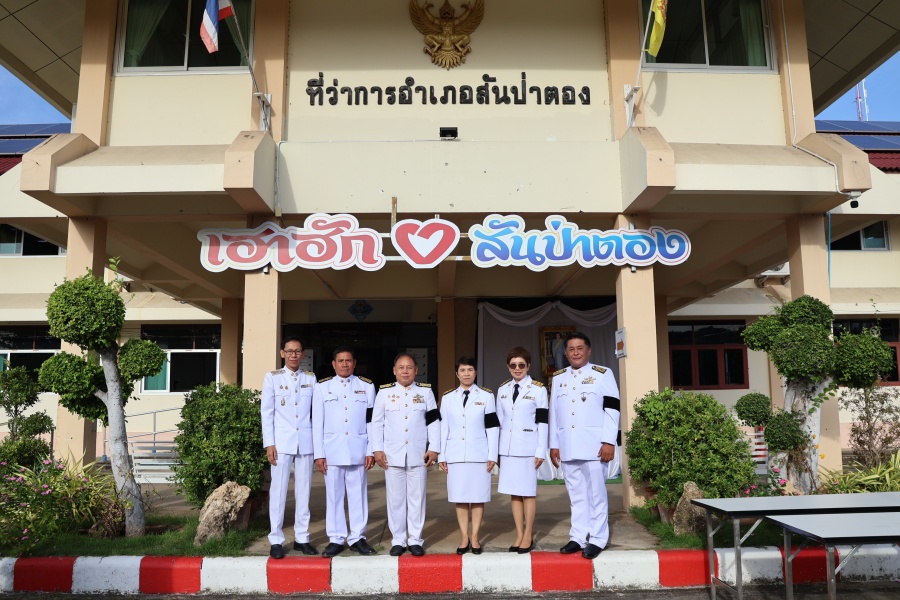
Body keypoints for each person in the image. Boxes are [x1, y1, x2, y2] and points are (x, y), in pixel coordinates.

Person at [549, 332, 620, 560]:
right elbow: (554, 414)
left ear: (589, 351)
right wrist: (554, 444)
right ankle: (578, 537)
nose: (575, 352)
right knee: (576, 496)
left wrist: (608, 441)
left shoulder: (602, 374)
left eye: (580, 348)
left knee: (596, 495)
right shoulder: (558, 377)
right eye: (571, 349)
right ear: (565, 353)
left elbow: (612, 409)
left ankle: (597, 539)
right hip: (568, 446)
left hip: (594, 446)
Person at [371, 353, 441, 557]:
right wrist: (377, 449)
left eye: (409, 367)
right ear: (394, 370)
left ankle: (415, 540)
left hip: (418, 454)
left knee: (417, 499)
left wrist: (434, 447)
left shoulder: (425, 392)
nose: (405, 371)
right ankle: (398, 540)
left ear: (416, 370)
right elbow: (377, 423)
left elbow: (433, 421)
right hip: (392, 455)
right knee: (395, 500)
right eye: (401, 367)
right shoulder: (384, 393)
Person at [312, 346, 377, 557]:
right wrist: (319, 454)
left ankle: (357, 537)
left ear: (355, 363)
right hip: (332, 451)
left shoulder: (367, 386)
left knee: (358, 496)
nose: (345, 364)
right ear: (333, 364)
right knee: (334, 496)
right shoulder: (322, 387)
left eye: (348, 360)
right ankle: (336, 538)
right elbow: (317, 423)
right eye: (340, 361)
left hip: (359, 450)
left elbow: (371, 422)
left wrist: (371, 450)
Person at [261, 336, 318, 559]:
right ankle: (276, 539)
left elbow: (316, 413)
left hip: (305, 442)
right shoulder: (273, 377)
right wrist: (269, 443)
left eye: (297, 351)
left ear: (303, 354)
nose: (294, 355)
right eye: (290, 351)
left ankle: (302, 538)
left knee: (304, 492)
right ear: (282, 353)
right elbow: (267, 412)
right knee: (278, 492)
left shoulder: (310, 378)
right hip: (281, 443)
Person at [438, 356, 499, 555]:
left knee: (478, 497)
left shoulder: (487, 396)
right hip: (455, 454)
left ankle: (475, 537)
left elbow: (492, 427)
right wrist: (442, 455)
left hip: (479, 454)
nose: (466, 374)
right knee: (461, 497)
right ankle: (464, 537)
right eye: (462, 370)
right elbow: (443, 428)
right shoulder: (448, 398)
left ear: (476, 372)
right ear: (457, 374)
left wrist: (492, 454)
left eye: (470, 370)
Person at [495, 347, 548, 554]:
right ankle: (519, 534)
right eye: (513, 365)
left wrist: (540, 451)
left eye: (521, 365)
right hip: (508, 448)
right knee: (514, 493)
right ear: (508, 367)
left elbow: (543, 422)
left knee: (528, 493)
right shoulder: (503, 389)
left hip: (528, 448)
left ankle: (528, 534)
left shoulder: (538, 389)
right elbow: (499, 421)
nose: (517, 368)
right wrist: (496, 451)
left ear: (528, 366)